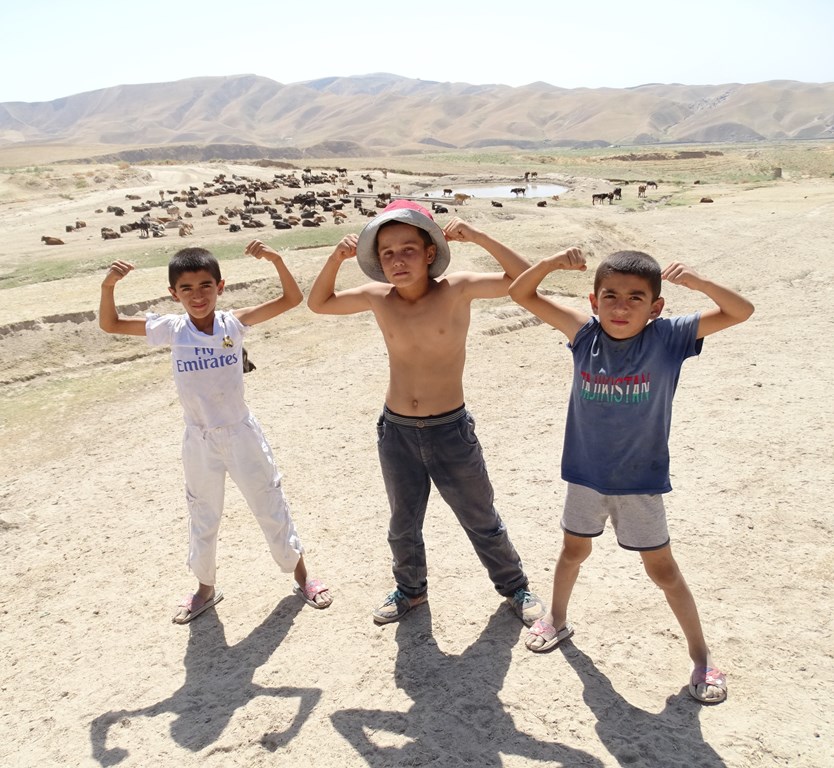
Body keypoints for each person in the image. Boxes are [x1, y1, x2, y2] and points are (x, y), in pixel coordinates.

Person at [508, 247, 754, 703]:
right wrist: (551, 263)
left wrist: (698, 282)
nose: (621, 308)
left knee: (662, 571)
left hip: (640, 483)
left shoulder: (669, 337)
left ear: (656, 307)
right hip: (584, 476)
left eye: (636, 298)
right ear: (594, 300)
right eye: (610, 297)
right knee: (571, 552)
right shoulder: (583, 333)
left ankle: (701, 658)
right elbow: (520, 291)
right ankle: (557, 620)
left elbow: (741, 310)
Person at [307, 200, 544, 627]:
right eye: (387, 253)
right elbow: (319, 304)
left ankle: (515, 588)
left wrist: (478, 236)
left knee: (480, 517)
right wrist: (334, 258)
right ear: (378, 262)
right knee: (403, 523)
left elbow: (525, 278)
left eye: (408, 249)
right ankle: (411, 591)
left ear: (430, 251)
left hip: (449, 429)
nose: (398, 260)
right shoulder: (377, 297)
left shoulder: (457, 289)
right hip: (395, 430)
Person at [99, 240, 333, 624]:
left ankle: (303, 576)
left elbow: (291, 299)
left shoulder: (233, 323)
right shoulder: (172, 330)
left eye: (206, 285)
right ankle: (205, 588)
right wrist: (109, 287)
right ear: (173, 294)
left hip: (241, 434)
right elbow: (110, 324)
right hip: (199, 440)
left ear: (220, 287)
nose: (197, 295)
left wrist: (276, 258)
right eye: (186, 289)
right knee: (203, 514)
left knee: (268, 503)